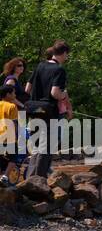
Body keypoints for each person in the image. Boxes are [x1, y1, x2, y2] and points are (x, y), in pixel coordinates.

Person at [25, 41, 70, 178]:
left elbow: (27, 88)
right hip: (49, 112)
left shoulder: (40, 65)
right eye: (67, 55)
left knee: (37, 147)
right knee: (47, 147)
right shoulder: (59, 70)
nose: (67, 58)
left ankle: (30, 178)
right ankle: (38, 181)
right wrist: (64, 95)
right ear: (63, 53)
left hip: (33, 110)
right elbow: (54, 93)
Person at [0, 81, 19, 184]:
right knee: (13, 158)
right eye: (13, 93)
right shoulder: (12, 106)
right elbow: (14, 123)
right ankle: (5, 177)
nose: (15, 95)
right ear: (7, 94)